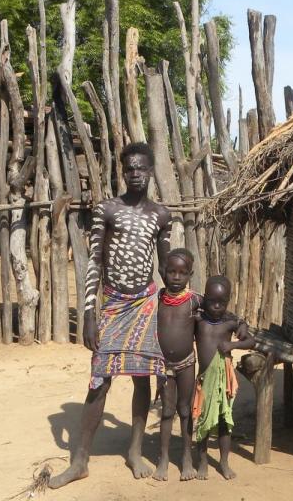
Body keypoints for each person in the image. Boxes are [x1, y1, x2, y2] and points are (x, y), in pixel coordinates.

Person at [49, 142, 172, 488]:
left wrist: (183, 305)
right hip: (114, 305)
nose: (136, 174)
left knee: (142, 377)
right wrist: (90, 312)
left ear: (150, 171)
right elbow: (95, 261)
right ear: (123, 171)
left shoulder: (161, 215)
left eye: (141, 168)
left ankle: (134, 450)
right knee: (99, 380)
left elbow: (166, 266)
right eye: (130, 168)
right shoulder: (107, 210)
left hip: (145, 303)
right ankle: (80, 460)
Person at [192, 276, 254, 480]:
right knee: (202, 421)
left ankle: (224, 462)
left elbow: (250, 341)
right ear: (204, 298)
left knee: (223, 421)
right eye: (212, 301)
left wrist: (233, 346)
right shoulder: (198, 320)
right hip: (203, 379)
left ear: (228, 300)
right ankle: (202, 462)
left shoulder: (230, 322)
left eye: (222, 302)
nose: (217, 306)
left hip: (223, 381)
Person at [153, 248, 202, 481]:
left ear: (190, 274)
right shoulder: (157, 299)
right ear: (163, 272)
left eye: (182, 273)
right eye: (171, 271)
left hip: (186, 364)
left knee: (185, 410)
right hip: (163, 365)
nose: (176, 277)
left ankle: (186, 457)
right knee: (167, 411)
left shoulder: (195, 301)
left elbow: (218, 315)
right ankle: (162, 458)